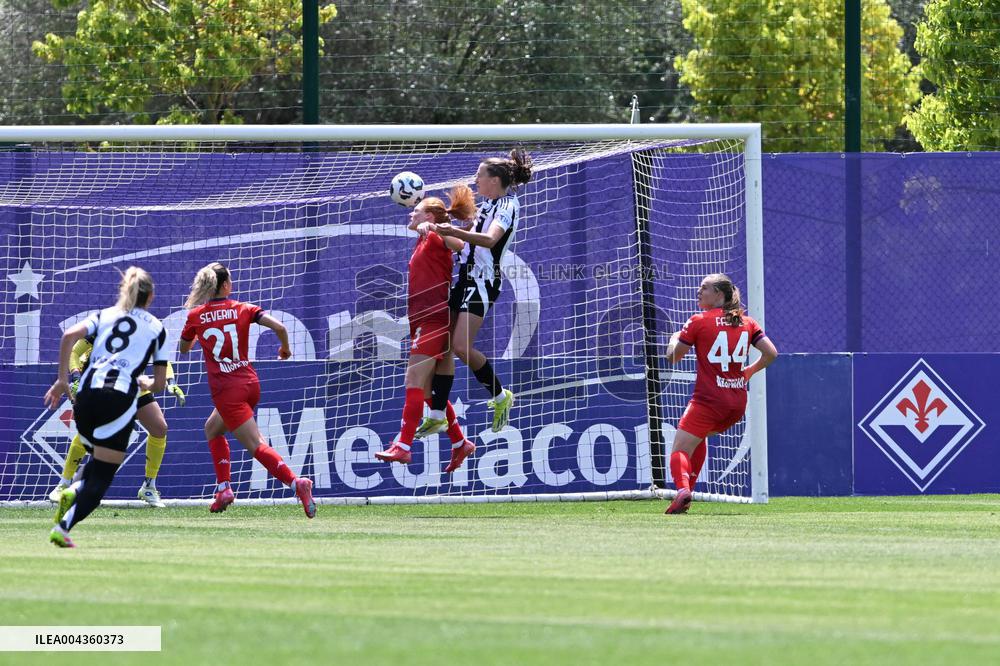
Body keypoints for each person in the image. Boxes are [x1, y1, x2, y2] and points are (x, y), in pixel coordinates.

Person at [44, 267, 169, 548]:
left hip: (85, 397)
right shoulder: (156, 327)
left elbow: (68, 338)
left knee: (96, 460)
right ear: (150, 297)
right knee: (101, 478)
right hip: (118, 398)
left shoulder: (103, 315)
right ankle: (63, 526)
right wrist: (145, 381)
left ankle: (73, 487)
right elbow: (159, 383)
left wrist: (63, 380)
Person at [179, 262, 315, 518]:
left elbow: (184, 349)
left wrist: (202, 330)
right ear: (227, 285)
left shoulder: (195, 316)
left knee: (256, 445)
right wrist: (284, 349)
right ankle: (223, 488)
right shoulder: (243, 308)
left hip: (226, 390)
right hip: (250, 384)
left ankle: (297, 483)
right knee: (212, 428)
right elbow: (281, 328)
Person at [418, 148, 532, 436]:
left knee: (460, 346)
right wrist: (439, 230)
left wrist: (454, 232)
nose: (475, 180)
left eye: (480, 175)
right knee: (444, 347)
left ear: (494, 180)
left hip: (482, 283)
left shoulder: (507, 206)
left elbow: (489, 240)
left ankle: (500, 395)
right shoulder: (487, 206)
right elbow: (466, 244)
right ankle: (436, 415)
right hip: (464, 280)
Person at [375, 187, 477, 473]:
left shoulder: (436, 235)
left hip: (435, 319)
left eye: (416, 210)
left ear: (429, 215)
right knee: (430, 391)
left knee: (413, 379)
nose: (411, 213)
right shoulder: (421, 240)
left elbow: (460, 245)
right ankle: (459, 442)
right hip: (420, 319)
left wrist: (437, 228)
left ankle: (403, 446)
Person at [663, 273, 778, 515]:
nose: (698, 291)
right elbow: (771, 353)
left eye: (704, 288)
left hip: (709, 400)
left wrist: (673, 339)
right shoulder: (747, 322)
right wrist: (747, 373)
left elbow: (673, 357)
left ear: (719, 294)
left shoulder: (698, 321)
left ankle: (683, 490)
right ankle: (687, 494)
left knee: (679, 450)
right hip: (736, 404)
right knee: (698, 437)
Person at [47, 334, 186, 507]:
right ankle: (64, 484)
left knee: (159, 428)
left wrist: (170, 381)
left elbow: (161, 357)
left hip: (134, 386)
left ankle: (149, 487)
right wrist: (76, 377)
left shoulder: (148, 328)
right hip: (104, 386)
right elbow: (75, 352)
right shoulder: (104, 324)